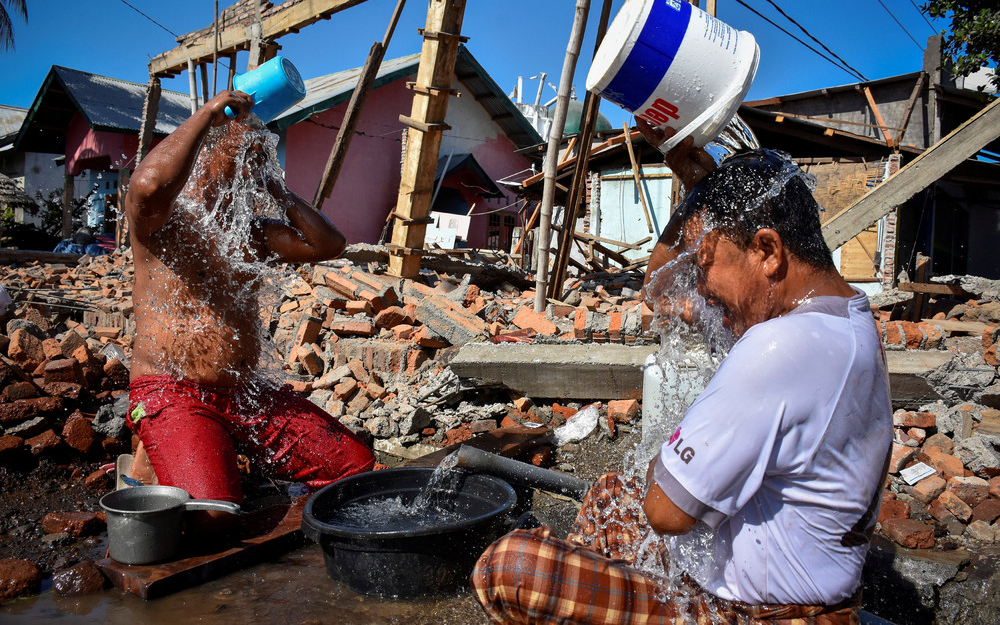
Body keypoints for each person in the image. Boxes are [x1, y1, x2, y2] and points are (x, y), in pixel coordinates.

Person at [470, 124, 892, 624]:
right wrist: (696, 196)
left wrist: (669, 457)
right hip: (793, 591)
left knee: (511, 568)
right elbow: (663, 294)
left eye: (706, 261)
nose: (702, 286)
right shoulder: (841, 317)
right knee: (610, 495)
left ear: (768, 250)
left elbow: (665, 512)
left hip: (760, 614)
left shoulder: (780, 346)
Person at [123, 90, 374, 526]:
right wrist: (205, 115)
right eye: (238, 155)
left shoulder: (250, 233)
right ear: (202, 156)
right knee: (215, 516)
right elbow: (149, 183)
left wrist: (273, 185)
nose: (246, 166)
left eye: (255, 158)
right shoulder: (161, 221)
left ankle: (200, 453)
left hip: (243, 390)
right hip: (173, 389)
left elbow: (328, 244)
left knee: (355, 472)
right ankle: (156, 454)